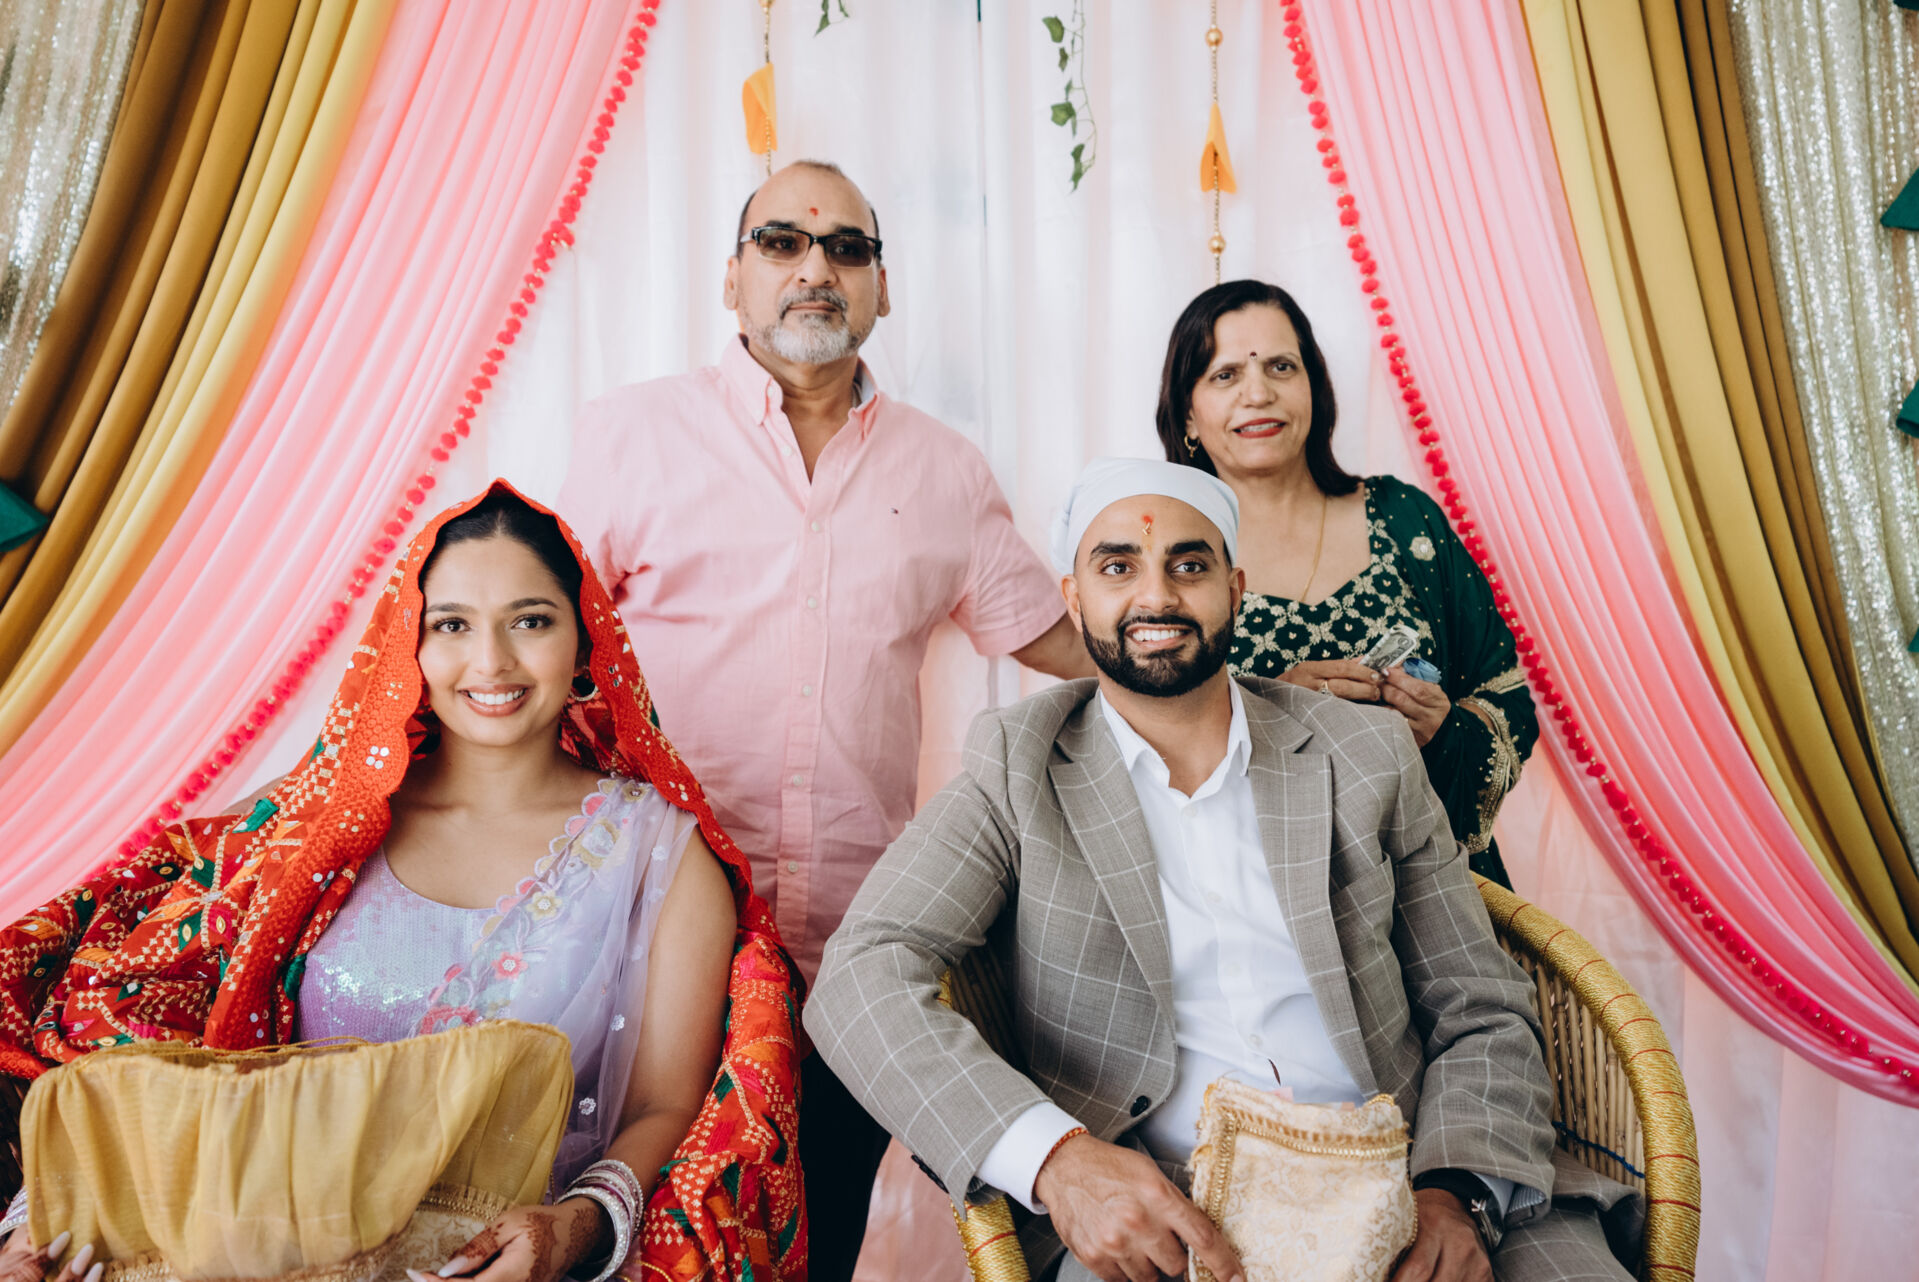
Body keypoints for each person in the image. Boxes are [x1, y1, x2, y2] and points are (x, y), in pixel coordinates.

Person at [805, 458, 1637, 1282]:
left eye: (1189, 565)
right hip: (1166, 1213)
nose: (1156, 597)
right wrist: (1058, 1161)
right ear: (1074, 598)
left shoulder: (1364, 753)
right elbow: (859, 976)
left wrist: (1456, 1196)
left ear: (1235, 589)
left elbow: (1478, 1002)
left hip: (1412, 1166)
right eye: (1118, 567)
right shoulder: (1018, 765)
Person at [0, 484, 805, 1282]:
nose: (490, 661)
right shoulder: (313, 824)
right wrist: (44, 1221)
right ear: (403, 643)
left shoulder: (660, 852)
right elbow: (146, 1036)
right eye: (451, 624)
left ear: (585, 638)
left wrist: (577, 1227)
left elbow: (666, 1106)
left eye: (530, 620)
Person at [558, 158, 1090, 1279]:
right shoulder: (630, 435)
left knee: (814, 1246)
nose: (816, 267)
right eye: (783, 242)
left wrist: (1252, 676)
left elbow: (1056, 639)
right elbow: (545, 648)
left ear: (882, 288)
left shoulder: (942, 471)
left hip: (850, 971)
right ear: (732, 278)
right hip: (649, 940)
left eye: (848, 248)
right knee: (622, 1238)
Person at [1157, 280, 1535, 887]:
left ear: (1315, 387)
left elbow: (1506, 697)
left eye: (1281, 366)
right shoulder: (1171, 562)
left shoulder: (1404, 518)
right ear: (1187, 416)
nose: (1258, 392)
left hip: (1438, 890)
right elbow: (1146, 748)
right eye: (1225, 375)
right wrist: (1267, 713)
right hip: (1262, 901)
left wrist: (1444, 729)